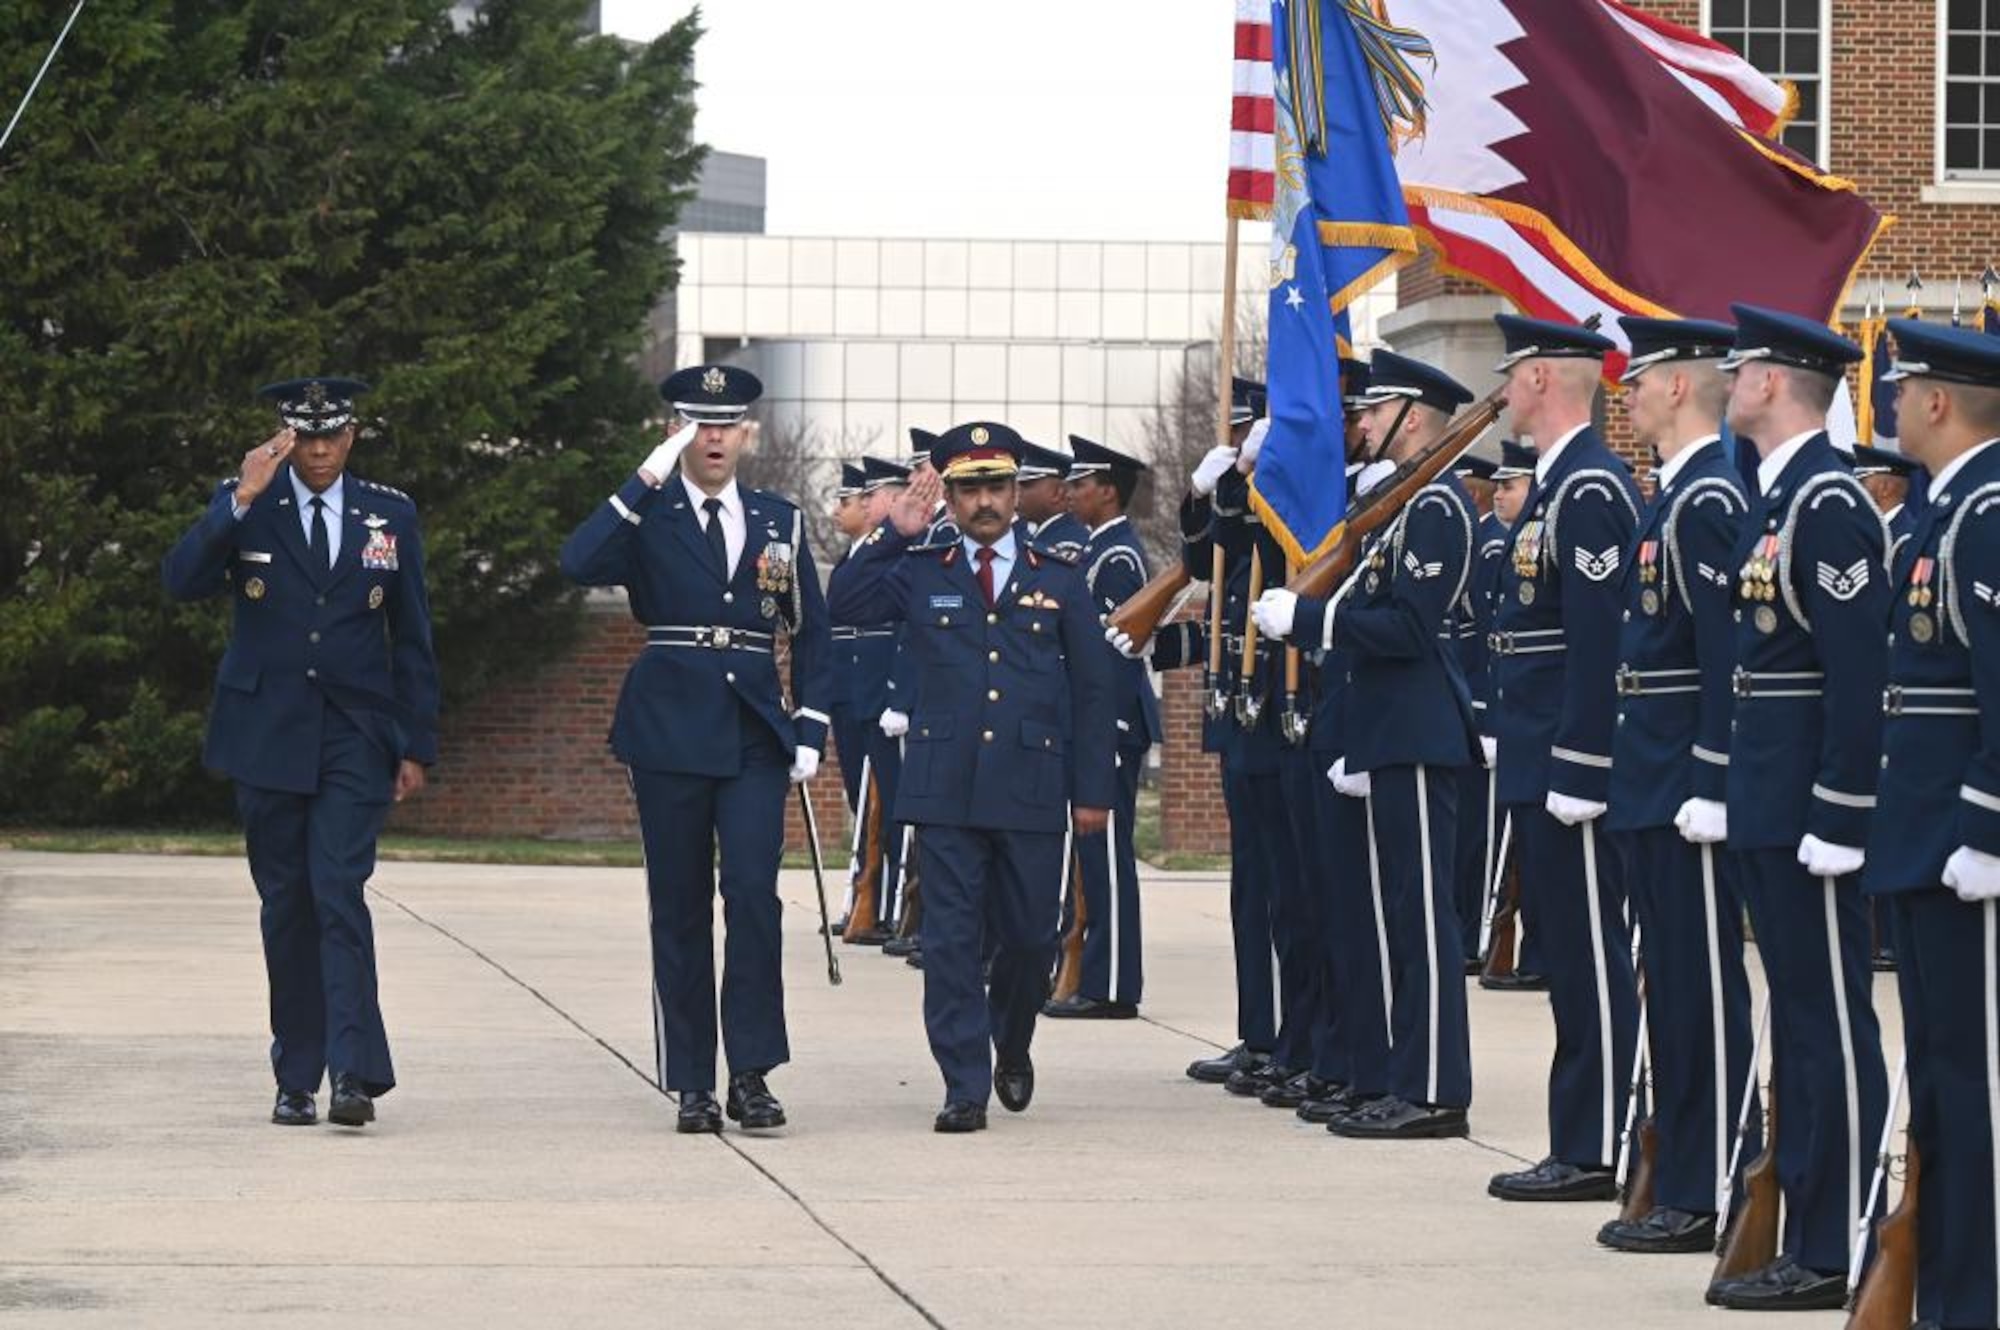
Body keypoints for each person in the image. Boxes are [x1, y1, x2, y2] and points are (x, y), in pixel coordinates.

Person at [559, 364, 832, 1135]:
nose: (713, 438)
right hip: (670, 727)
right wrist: (641, 480)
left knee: (752, 898)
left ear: (748, 433)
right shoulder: (646, 513)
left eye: (726, 424)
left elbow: (811, 629)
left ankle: (750, 1073)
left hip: (752, 728)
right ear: (676, 431)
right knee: (678, 909)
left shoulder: (779, 518)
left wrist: (809, 725)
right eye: (697, 423)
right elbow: (577, 562)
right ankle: (692, 1080)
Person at [162, 376, 438, 1130]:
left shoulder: (390, 514)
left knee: (337, 892)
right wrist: (240, 500)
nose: (318, 451)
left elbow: (412, 638)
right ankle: (296, 1075)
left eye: (332, 436)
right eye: (305, 438)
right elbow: (179, 579)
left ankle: (354, 1072)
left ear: (351, 437)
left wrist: (415, 742)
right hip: (267, 733)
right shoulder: (250, 502)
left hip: (355, 731)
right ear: (285, 438)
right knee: (287, 905)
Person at [828, 422, 1115, 1132]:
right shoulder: (922, 565)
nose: (984, 501)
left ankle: (1011, 1039)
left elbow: (1092, 688)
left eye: (995, 486)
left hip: (1030, 782)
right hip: (944, 783)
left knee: (1028, 938)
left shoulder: (1059, 575)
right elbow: (847, 605)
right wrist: (896, 531)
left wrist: (1094, 792)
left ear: (1016, 491)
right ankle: (963, 1083)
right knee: (951, 942)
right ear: (949, 496)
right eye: (968, 488)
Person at [1703, 307, 1889, 1312]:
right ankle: (1813, 1221)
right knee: (1799, 1019)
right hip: (1762, 799)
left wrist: (1839, 808)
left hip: (1804, 808)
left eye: (1739, 368)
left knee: (1824, 1021)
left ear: (1773, 383)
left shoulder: (1824, 505)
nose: (1727, 380)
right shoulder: (1770, 502)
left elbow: (1858, 674)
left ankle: (1838, 1236)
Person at [1254, 350, 1482, 1139]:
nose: (1362, 424)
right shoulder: (1398, 504)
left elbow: (1412, 629)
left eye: (1375, 413)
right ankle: (1397, 1075)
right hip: (1385, 729)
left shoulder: (1437, 507)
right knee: (1394, 917)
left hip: (1419, 733)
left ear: (1412, 417)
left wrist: (1311, 622)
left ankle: (1434, 1089)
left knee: (1422, 921)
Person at [1595, 317, 1757, 1256]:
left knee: (1701, 989)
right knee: (1674, 985)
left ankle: (1713, 1182)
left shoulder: (1705, 503)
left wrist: (1712, 777)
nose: (1630, 391)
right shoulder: (1675, 496)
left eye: (1643, 379)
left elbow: (1722, 655)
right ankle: (1686, 1172)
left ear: (1682, 388)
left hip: (1683, 783)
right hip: (1649, 775)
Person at [1483, 316, 1643, 1203]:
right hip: (1540, 760)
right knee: (1566, 958)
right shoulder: (1556, 488)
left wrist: (1582, 765)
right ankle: (1579, 1137)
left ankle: (1601, 1146)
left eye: (1513, 374)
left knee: (1589, 958)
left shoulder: (1589, 490)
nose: (1505, 391)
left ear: (1544, 378)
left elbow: (1596, 642)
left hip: (1569, 770)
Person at [1865, 317, 2000, 1330]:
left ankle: (1977, 1297)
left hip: (1961, 841)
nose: (1890, 403)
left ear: (1939, 402)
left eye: (1901, 387)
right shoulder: (1933, 513)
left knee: (1974, 1087)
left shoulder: (1986, 512)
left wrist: (1987, 828)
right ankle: (1950, 1293)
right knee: (1942, 1090)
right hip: (1916, 833)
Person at [1045, 435, 1160, 1020]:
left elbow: (1118, 652)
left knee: (1108, 856)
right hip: (1091, 724)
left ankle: (1112, 984)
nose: (1071, 493)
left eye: (1082, 485)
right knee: (1092, 858)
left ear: (1108, 492)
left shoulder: (1117, 557)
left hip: (1111, 724)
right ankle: (1096, 974)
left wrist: (1104, 727)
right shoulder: (1095, 549)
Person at [827, 458, 911, 946]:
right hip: (851, 687)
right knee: (864, 802)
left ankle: (890, 904)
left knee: (890, 801)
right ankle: (867, 896)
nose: (840, 510)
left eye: (855, 498)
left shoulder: (893, 550)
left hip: (878, 688)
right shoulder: (859, 553)